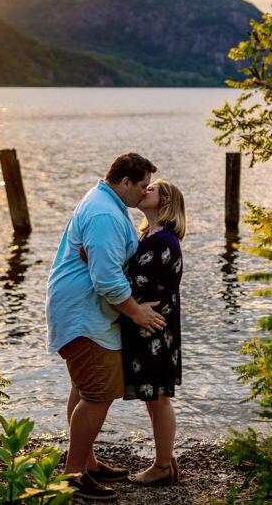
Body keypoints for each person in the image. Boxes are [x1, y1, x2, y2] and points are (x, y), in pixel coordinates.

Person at [46, 152, 167, 501]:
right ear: (125, 181)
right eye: (142, 185)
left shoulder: (108, 204)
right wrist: (135, 312)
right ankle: (74, 475)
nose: (145, 191)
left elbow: (106, 264)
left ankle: (87, 461)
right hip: (84, 314)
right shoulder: (103, 212)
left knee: (85, 390)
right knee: (98, 395)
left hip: (83, 312)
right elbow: (107, 279)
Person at [121, 179, 186, 486]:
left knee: (157, 396)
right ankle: (167, 459)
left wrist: (92, 261)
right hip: (149, 323)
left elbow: (134, 283)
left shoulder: (163, 241)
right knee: (153, 397)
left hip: (155, 327)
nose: (144, 190)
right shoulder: (149, 233)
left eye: (151, 189)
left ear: (165, 200)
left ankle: (161, 465)